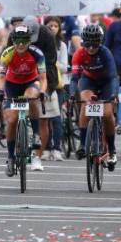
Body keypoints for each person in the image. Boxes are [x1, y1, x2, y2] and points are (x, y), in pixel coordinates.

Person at [0, 25, 47, 176]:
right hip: (12, 85)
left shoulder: (37, 53)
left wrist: (43, 91)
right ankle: (11, 157)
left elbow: (43, 78)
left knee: (31, 97)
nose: (20, 44)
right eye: (17, 40)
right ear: (13, 41)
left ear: (29, 41)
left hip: (30, 82)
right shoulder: (7, 53)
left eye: (24, 40)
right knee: (12, 120)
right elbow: (1, 77)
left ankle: (36, 134)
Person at [70, 24, 119, 167]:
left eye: (95, 44)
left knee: (107, 114)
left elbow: (113, 76)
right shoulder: (78, 54)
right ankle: (82, 144)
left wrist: (113, 95)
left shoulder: (105, 53)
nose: (91, 48)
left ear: (100, 42)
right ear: (83, 42)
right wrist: (72, 94)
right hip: (89, 81)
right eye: (88, 44)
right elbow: (74, 78)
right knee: (86, 105)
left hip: (106, 82)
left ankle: (112, 149)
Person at [20, 16, 58, 170]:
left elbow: (50, 63)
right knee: (13, 114)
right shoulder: (14, 35)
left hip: (44, 75)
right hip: (20, 76)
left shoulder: (47, 34)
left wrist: (44, 88)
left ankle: (37, 157)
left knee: (43, 118)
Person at [44, 16, 68, 162]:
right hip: (43, 84)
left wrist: (52, 63)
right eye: (50, 25)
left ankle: (57, 148)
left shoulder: (62, 46)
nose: (52, 28)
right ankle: (46, 148)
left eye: (55, 26)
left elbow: (65, 67)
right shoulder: (40, 43)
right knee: (44, 117)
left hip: (57, 85)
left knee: (56, 117)